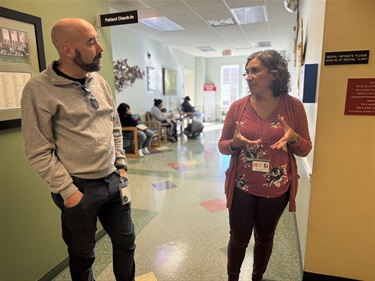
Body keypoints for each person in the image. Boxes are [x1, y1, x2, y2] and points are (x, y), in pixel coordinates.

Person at [21, 18, 135, 281]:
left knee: (126, 243)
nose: (100, 47)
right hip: (79, 188)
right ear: (67, 50)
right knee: (83, 255)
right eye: (90, 42)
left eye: (96, 39)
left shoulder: (99, 82)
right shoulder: (38, 89)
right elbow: (37, 150)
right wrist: (68, 191)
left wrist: (120, 165)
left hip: (113, 181)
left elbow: (113, 126)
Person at [218, 49, 312, 281]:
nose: (248, 76)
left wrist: (293, 138)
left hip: (276, 189)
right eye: (246, 72)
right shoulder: (238, 107)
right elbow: (222, 145)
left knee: (264, 238)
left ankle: (257, 277)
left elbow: (305, 148)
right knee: (238, 239)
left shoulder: (293, 107)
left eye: (255, 70)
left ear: (274, 74)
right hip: (242, 187)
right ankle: (232, 277)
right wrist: (234, 144)